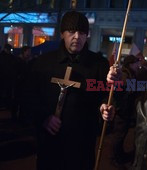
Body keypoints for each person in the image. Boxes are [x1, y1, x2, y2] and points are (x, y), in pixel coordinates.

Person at [26, 11, 109, 170]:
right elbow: (29, 96)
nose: (77, 36)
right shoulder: (43, 63)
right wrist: (44, 117)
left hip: (81, 147)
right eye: (72, 32)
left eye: (82, 32)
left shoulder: (99, 64)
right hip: (50, 145)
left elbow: (103, 95)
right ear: (62, 33)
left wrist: (105, 106)